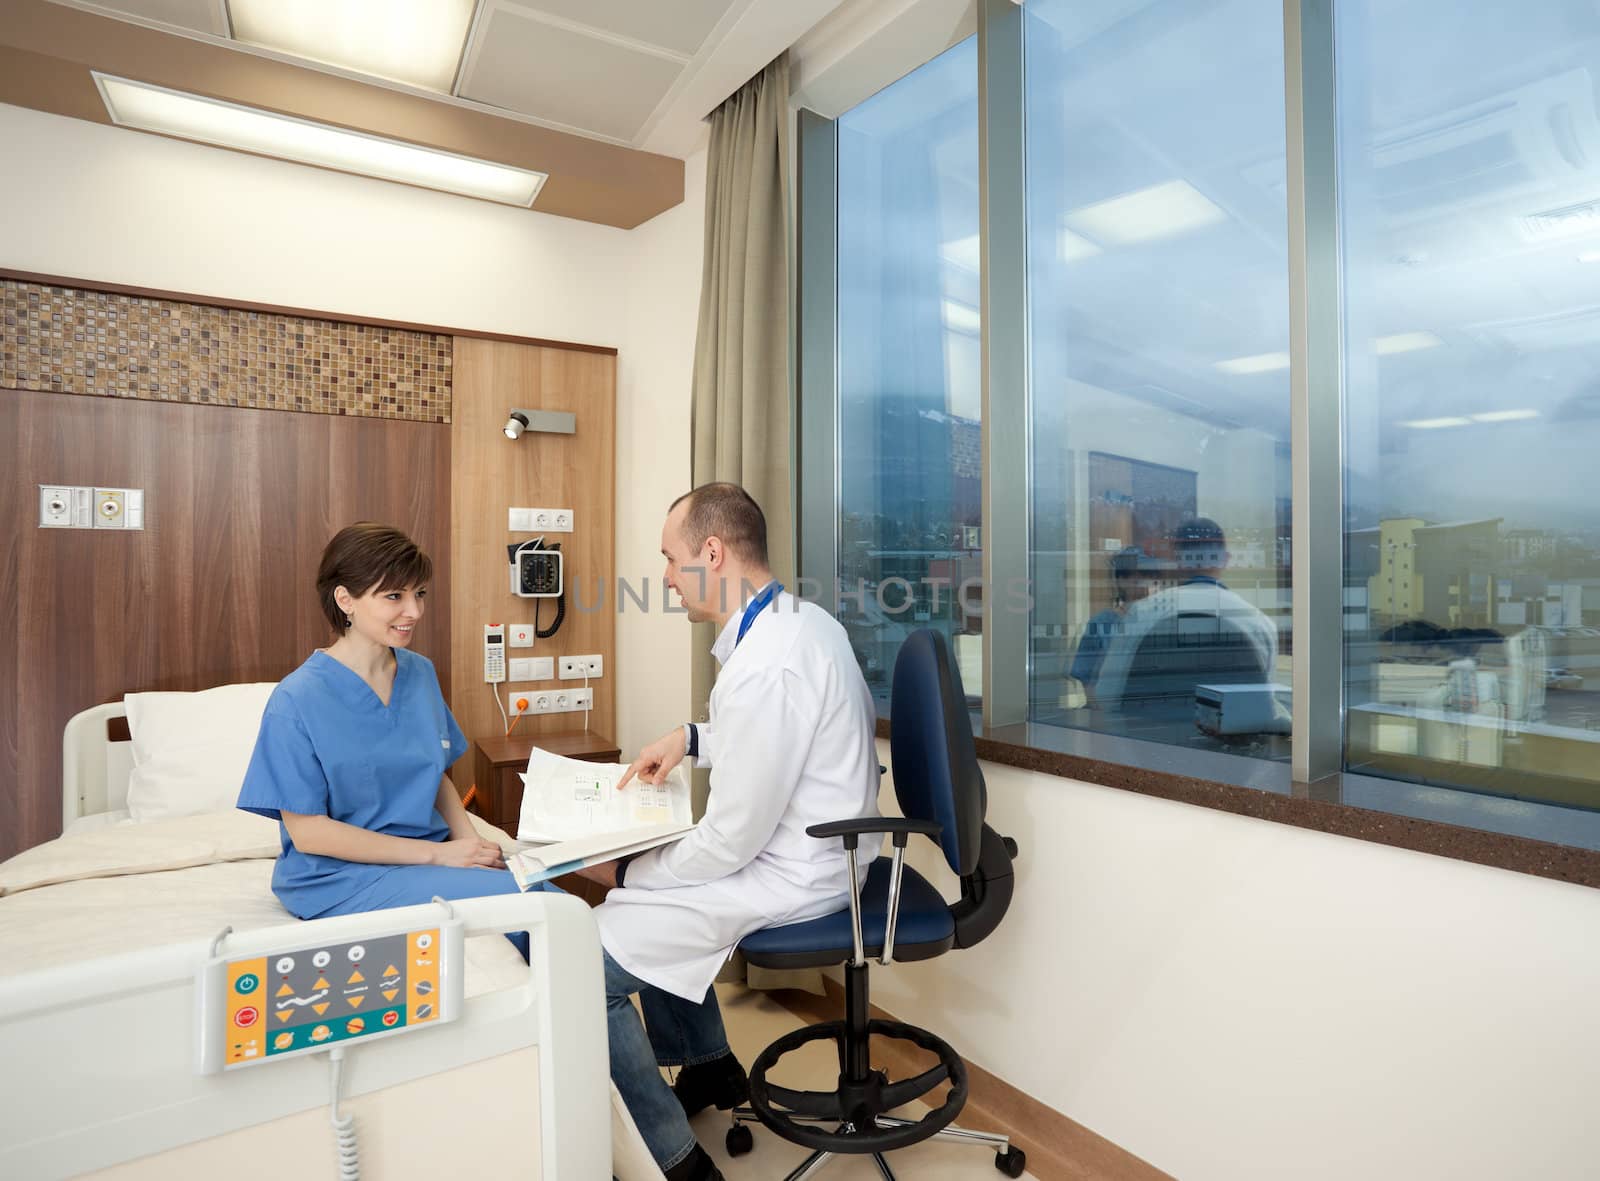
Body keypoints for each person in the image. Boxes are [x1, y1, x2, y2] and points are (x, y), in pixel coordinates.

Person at [574, 482, 882, 1181]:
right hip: (818, 846)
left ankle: (675, 1158)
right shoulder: (798, 622)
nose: (665, 578)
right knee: (638, 905)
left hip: (795, 871)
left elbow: (730, 840)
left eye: (670, 558)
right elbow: (771, 738)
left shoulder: (769, 661)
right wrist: (689, 737)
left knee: (590, 956)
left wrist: (624, 867)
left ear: (712, 552)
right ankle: (711, 1064)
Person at [236, 523, 529, 953]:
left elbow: (435, 779)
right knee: (539, 913)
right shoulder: (296, 699)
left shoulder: (420, 673)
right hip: (340, 877)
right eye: (394, 596)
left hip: (427, 857)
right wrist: (439, 856)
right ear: (345, 600)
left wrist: (469, 844)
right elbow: (310, 834)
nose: (413, 611)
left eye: (419, 595)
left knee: (549, 899)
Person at [1092, 517, 1279, 715]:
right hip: (1230, 743)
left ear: (1174, 560)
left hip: (1149, 740)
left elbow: (1107, 697)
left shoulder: (1142, 613)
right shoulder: (1258, 621)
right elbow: (1263, 707)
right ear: (1225, 559)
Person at [1068, 545, 1148, 705]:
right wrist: (1104, 719)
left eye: (1145, 574)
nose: (1138, 581)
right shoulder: (1101, 624)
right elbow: (1088, 682)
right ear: (1119, 580)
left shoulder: (1163, 620)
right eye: (1130, 575)